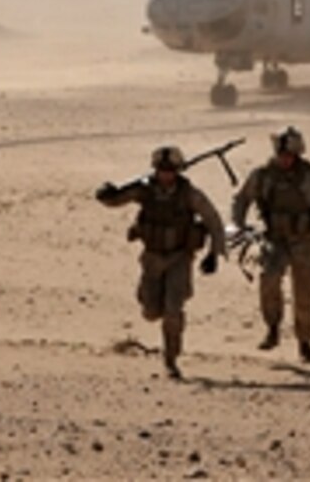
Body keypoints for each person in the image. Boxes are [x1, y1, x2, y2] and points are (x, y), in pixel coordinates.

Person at [96, 146, 226, 379]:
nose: (166, 175)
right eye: (161, 170)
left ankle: (171, 359)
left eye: (170, 171)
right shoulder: (145, 190)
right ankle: (148, 301)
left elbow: (213, 220)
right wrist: (106, 195)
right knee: (151, 311)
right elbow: (118, 199)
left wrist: (214, 254)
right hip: (153, 259)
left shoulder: (189, 194)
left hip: (179, 258)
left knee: (173, 310)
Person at [232, 126, 310, 363]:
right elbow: (242, 199)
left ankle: (305, 343)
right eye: (281, 155)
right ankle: (273, 327)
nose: (285, 160)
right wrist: (240, 225)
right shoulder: (262, 176)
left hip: (305, 241)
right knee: (268, 278)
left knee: (304, 294)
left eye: (289, 156)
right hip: (274, 238)